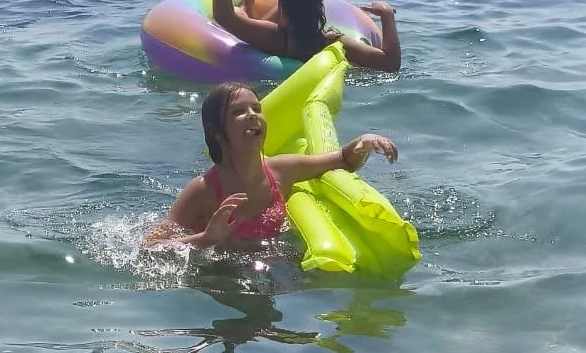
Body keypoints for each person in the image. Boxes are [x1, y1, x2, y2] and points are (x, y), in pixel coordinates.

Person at [144, 83, 397, 248]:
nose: (253, 115)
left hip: (271, 269)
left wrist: (363, 142)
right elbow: (150, 246)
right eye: (238, 112)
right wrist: (205, 239)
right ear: (217, 132)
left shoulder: (282, 171)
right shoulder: (203, 191)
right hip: (219, 280)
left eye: (257, 108)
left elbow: (343, 160)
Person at [182, 0, 401, 71]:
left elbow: (224, 17)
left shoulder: (275, 38)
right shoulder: (333, 42)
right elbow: (390, 64)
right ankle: (250, 5)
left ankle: (246, 5)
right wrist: (387, 15)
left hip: (272, 50)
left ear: (283, 15)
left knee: (241, 17)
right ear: (320, 10)